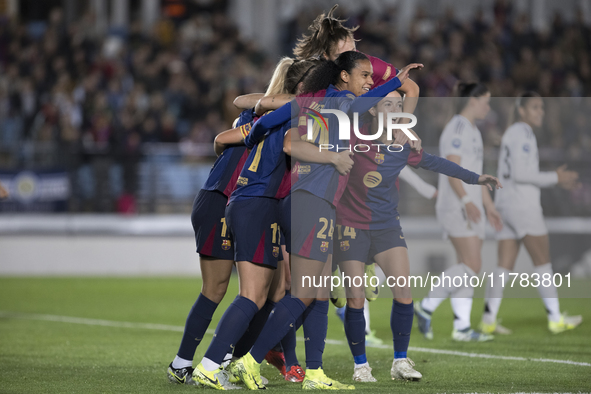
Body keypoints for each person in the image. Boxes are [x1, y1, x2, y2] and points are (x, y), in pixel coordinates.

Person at [228, 51, 422, 391]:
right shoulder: (343, 100)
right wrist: (394, 80)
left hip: (311, 201)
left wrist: (252, 133)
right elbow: (363, 106)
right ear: (344, 77)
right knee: (304, 293)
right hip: (315, 202)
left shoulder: (309, 101)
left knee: (314, 293)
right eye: (364, 76)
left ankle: (312, 373)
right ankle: (248, 360)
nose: (367, 83)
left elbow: (271, 119)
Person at [334, 91, 502, 383]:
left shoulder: (404, 146)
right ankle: (361, 366)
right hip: (351, 226)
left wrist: (476, 178)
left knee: (404, 293)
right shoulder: (352, 137)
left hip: (387, 227)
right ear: (372, 109)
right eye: (388, 104)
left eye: (400, 105)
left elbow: (437, 164)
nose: (396, 109)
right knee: (356, 300)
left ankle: (400, 361)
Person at [167, 57, 308, 388]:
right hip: (224, 198)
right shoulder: (276, 116)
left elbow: (220, 139)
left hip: (238, 200)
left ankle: (229, 360)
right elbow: (223, 137)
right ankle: (191, 362)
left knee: (271, 289)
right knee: (224, 289)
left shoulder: (265, 112)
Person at [480, 92, 582, 335]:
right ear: (522, 110)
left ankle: (488, 319)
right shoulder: (523, 133)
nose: (541, 112)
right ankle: (556, 318)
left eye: (542, 107)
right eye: (535, 107)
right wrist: (555, 178)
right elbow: (522, 174)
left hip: (506, 203)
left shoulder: (511, 133)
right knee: (543, 262)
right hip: (523, 205)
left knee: (503, 266)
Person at [414, 82, 503, 342]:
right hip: (457, 205)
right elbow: (451, 169)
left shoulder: (474, 130)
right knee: (473, 265)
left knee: (467, 266)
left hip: (471, 205)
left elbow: (476, 176)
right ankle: (426, 306)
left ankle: (462, 327)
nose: (488, 107)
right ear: (472, 100)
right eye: (485, 101)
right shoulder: (458, 127)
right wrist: (466, 200)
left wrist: (488, 205)